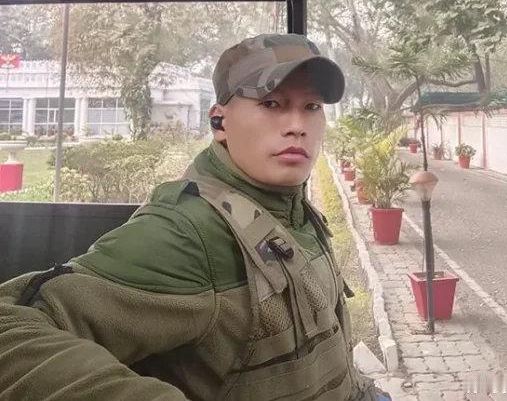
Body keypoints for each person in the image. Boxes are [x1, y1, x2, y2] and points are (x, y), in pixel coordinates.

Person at [0, 33, 390, 401]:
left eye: (312, 107)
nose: (297, 126)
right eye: (272, 104)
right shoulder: (189, 231)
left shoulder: (293, 209)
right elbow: (11, 329)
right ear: (219, 122)